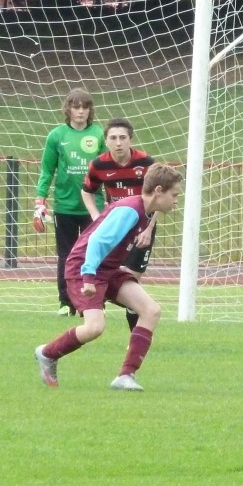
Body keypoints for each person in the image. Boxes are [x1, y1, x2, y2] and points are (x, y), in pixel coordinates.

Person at [33, 162, 184, 392]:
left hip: (109, 269)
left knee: (151, 310)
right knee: (94, 327)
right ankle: (47, 353)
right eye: (174, 195)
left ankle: (126, 376)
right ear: (158, 191)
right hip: (84, 268)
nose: (176, 200)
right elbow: (96, 241)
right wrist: (89, 277)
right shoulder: (130, 211)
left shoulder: (145, 210)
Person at [33, 88, 106, 316]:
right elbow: (47, 170)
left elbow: (107, 168)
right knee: (66, 255)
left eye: (85, 107)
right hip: (64, 206)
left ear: (90, 110)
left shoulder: (100, 134)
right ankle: (66, 303)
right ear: (68, 109)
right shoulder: (56, 136)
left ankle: (93, 304)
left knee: (94, 254)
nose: (81, 111)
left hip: (93, 207)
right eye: (76, 107)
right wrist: (40, 201)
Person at [81, 118, 157, 331]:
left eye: (123, 137)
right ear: (106, 141)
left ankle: (134, 334)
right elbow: (87, 191)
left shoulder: (146, 163)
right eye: (113, 138)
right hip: (115, 229)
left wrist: (149, 229)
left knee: (132, 280)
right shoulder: (99, 165)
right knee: (104, 272)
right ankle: (94, 314)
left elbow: (158, 197)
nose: (118, 142)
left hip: (141, 228)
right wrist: (97, 217)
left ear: (130, 140)